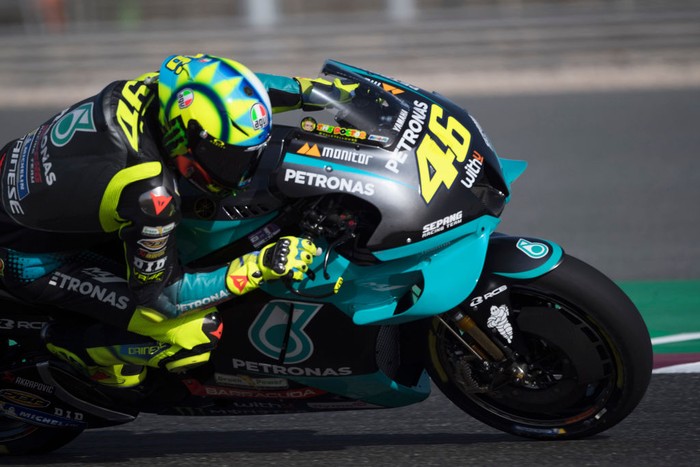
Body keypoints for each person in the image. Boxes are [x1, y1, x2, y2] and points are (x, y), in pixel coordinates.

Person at [0, 53, 358, 387]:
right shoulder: (150, 194)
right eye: (228, 160)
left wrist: (316, 93)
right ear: (182, 134)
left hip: (18, 178)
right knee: (194, 334)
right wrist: (261, 265)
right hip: (29, 260)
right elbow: (162, 296)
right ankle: (69, 347)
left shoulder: (155, 90)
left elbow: (233, 89)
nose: (241, 174)